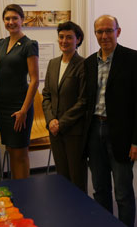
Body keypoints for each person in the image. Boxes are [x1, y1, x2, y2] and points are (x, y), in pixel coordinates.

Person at [84, 15, 137, 227]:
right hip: (94, 131)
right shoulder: (88, 63)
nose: (104, 36)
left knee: (122, 192)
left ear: (118, 32)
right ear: (95, 34)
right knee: (100, 189)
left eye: (108, 31)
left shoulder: (134, 59)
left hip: (121, 134)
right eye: (99, 32)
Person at [0, 4, 39, 179]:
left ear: (22, 20)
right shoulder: (1, 43)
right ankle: (16, 190)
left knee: (20, 153)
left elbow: (34, 80)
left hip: (19, 105)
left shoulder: (29, 45)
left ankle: (23, 191)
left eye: (14, 18)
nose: (11, 22)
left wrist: (24, 110)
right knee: (10, 149)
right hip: (2, 105)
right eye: (7, 19)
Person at [41, 21, 87, 192]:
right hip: (54, 130)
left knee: (77, 177)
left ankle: (80, 213)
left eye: (69, 37)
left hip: (74, 131)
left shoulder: (83, 65)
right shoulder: (53, 64)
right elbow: (46, 95)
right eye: (61, 37)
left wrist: (62, 122)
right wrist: (51, 120)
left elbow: (84, 101)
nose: (64, 41)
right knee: (62, 176)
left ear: (78, 39)